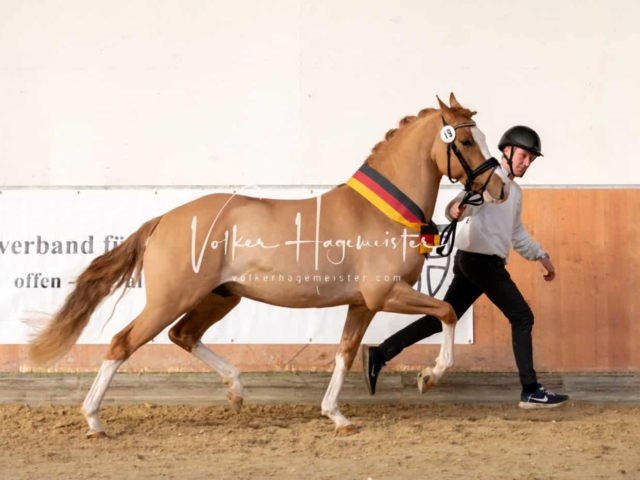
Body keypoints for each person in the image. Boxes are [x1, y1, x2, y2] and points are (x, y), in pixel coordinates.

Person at [362, 125, 570, 409]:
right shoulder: (487, 178)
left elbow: (516, 231)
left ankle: (380, 354)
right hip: (479, 261)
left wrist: (540, 255)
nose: (526, 163)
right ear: (507, 151)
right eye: (523, 156)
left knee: (441, 317)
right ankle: (530, 390)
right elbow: (463, 203)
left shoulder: (515, 192)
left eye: (531, 159)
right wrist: (455, 209)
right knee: (522, 317)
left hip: (478, 262)